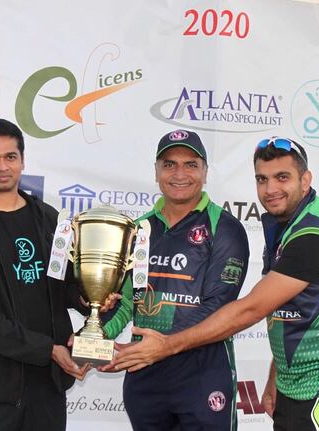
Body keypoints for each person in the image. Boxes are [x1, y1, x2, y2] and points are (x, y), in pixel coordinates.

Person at [112, 137, 319, 431]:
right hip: (297, 380)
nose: (271, 189)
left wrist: (166, 345)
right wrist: (277, 376)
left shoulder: (313, 234)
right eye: (262, 179)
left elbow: (251, 309)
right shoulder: (288, 224)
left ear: (306, 180)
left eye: (282, 177)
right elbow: (288, 308)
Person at [0, 117, 95, 431]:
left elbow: (63, 285)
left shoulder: (48, 218)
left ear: (22, 161)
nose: (2, 166)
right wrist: (47, 349)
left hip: (45, 387)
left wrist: (90, 301)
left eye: (10, 156)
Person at [101, 129, 250, 430]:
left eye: (190, 164)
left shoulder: (225, 227)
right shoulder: (139, 228)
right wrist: (98, 336)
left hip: (203, 373)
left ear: (205, 172)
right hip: (145, 374)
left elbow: (218, 306)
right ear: (156, 172)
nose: (179, 173)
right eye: (169, 164)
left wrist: (163, 344)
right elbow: (128, 299)